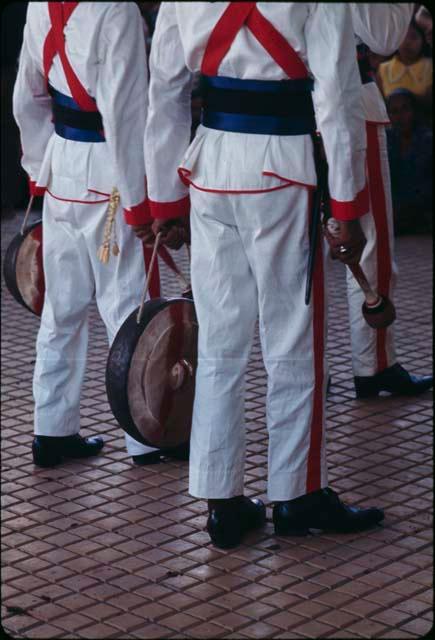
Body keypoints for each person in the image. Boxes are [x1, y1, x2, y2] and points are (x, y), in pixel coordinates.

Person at [144, 2, 384, 549]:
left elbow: (164, 88)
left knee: (222, 343)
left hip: (209, 168)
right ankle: (298, 494)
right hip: (284, 168)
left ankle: (221, 501)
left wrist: (164, 195)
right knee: (293, 339)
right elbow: (337, 92)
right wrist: (346, 205)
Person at [12, 2, 185, 468]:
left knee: (60, 310)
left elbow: (26, 96)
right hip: (110, 175)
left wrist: (37, 166)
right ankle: (146, 439)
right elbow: (125, 119)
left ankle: (52, 431)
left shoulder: (39, 5)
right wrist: (139, 203)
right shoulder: (118, 12)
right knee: (127, 307)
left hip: (61, 167)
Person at [346, 4, 433, 398]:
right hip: (348, 102)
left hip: (277, 114)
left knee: (300, 252)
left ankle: (308, 370)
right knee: (371, 240)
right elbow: (383, 35)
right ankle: (374, 364)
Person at [386, 88, 433, 235]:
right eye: (394, 111)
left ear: (414, 110)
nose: (400, 116)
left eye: (405, 109)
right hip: (396, 215)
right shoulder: (387, 141)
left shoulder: (428, 139)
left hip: (423, 213)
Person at [378, 18, 432, 109]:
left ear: (423, 40)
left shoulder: (430, 67)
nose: (407, 42)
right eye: (402, 37)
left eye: (413, 37)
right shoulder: (383, 69)